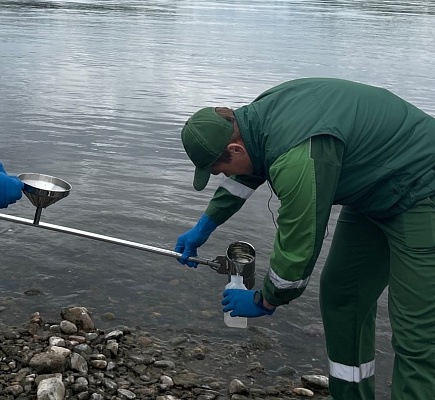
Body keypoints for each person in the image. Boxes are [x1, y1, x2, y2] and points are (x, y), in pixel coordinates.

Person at [174, 78, 435, 400]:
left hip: (425, 191)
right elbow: (246, 173)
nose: (224, 177)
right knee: (343, 296)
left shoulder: (297, 158)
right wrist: (204, 225)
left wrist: (266, 300)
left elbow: (300, 241)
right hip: (374, 194)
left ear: (235, 148)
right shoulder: (254, 122)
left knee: (417, 332)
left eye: (220, 169)